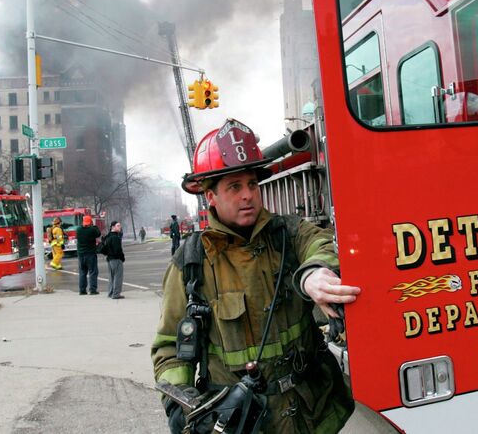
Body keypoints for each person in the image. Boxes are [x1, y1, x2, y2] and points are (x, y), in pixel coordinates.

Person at [151, 119, 360, 433]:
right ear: (210, 196)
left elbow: (322, 243)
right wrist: (182, 406)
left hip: (315, 414)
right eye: (234, 187)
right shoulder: (191, 264)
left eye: (252, 184)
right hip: (246, 423)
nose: (247, 195)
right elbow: (169, 348)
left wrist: (312, 274)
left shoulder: (289, 232)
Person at [76, 215, 101, 295]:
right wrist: (94, 225)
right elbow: (98, 233)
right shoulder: (92, 230)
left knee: (82, 272)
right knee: (93, 272)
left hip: (81, 254)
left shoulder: (78, 230)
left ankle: (82, 290)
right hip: (90, 254)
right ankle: (92, 290)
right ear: (90, 222)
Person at [102, 220, 126, 299]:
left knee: (111, 277)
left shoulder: (108, 236)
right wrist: (122, 257)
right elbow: (118, 250)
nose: (120, 227)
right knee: (118, 277)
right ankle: (116, 294)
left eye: (120, 225)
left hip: (109, 259)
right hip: (116, 259)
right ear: (113, 227)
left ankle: (111, 292)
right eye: (118, 226)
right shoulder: (115, 237)